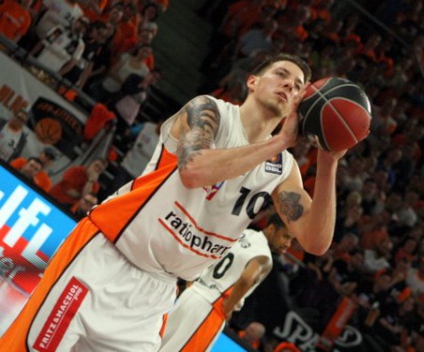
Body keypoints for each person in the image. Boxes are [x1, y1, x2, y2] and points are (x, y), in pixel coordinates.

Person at [0, 53, 344, 351]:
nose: (289, 85)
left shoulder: (282, 168)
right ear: (252, 82)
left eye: (298, 87)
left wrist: (329, 161)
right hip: (106, 258)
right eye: (281, 74)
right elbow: (193, 170)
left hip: (155, 295)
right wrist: (277, 142)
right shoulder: (208, 110)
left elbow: (315, 241)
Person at [159, 214, 293, 351]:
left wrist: (191, 279)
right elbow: (247, 278)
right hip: (211, 307)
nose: (288, 244)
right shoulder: (264, 256)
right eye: (285, 237)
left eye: (291, 240)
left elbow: (206, 247)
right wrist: (229, 307)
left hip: (192, 294)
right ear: (271, 229)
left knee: (160, 345)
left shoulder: (243, 233)